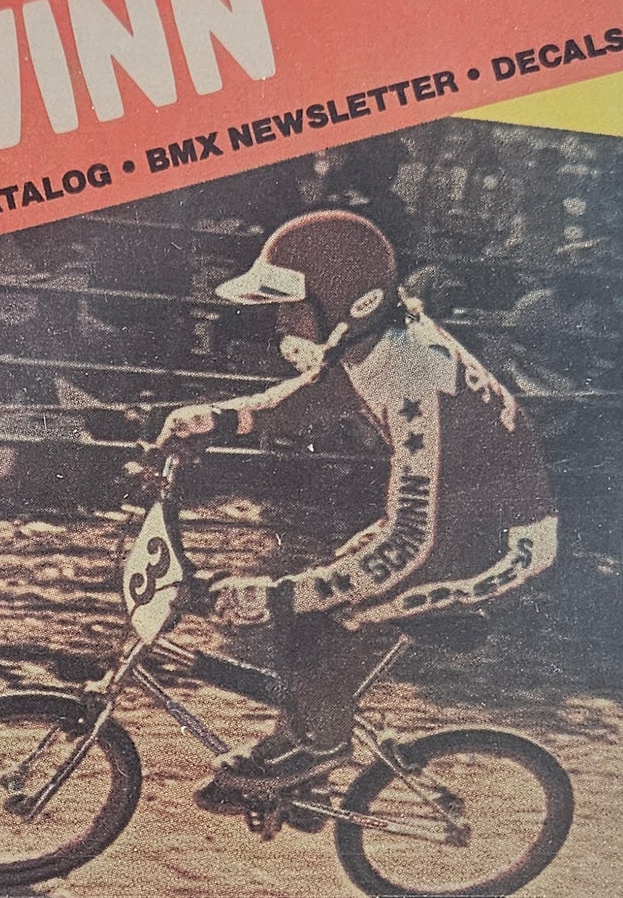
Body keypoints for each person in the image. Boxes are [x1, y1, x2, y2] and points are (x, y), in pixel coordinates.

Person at [156, 208, 557, 799]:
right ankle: (302, 745)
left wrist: (279, 594)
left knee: (323, 610)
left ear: (351, 302)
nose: (281, 321)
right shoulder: (377, 341)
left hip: (495, 546)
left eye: (292, 306)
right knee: (308, 608)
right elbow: (324, 394)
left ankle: (319, 749)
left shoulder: (416, 375)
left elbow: (414, 543)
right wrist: (222, 417)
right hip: (452, 522)